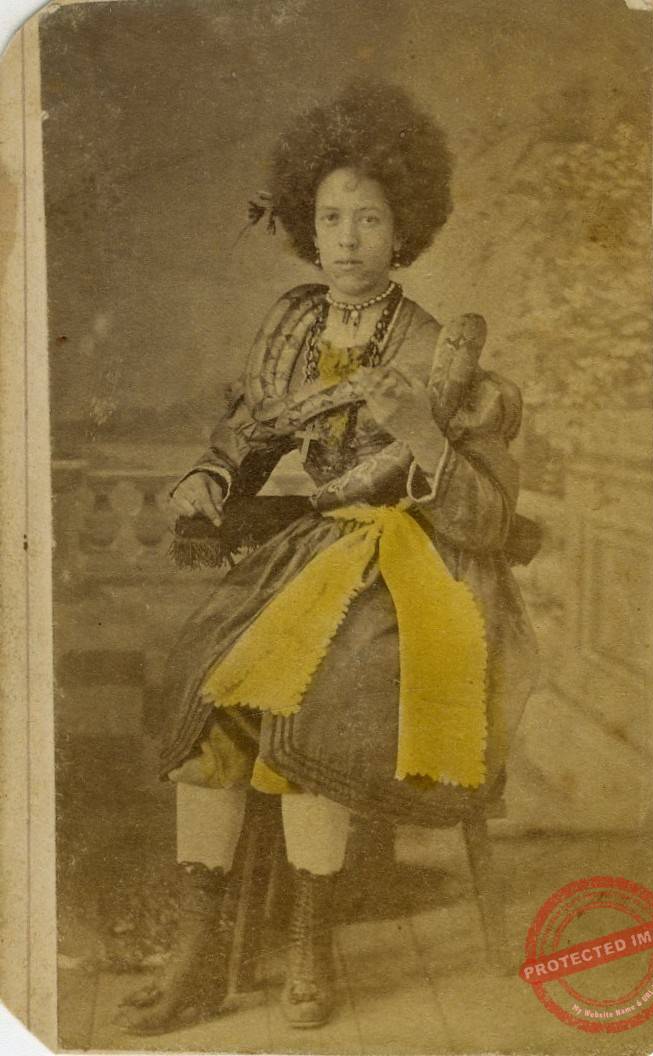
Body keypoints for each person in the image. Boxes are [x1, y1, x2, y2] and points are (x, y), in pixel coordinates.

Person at [118, 80, 538, 1035]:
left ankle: (311, 941)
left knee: (314, 704)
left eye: (370, 219)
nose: (348, 239)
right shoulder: (294, 325)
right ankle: (199, 952)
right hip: (307, 553)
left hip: (414, 570)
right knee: (208, 689)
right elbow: (245, 434)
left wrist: (421, 433)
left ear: (405, 229)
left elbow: (487, 515)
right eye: (331, 218)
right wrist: (208, 479)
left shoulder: (437, 351)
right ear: (309, 226)